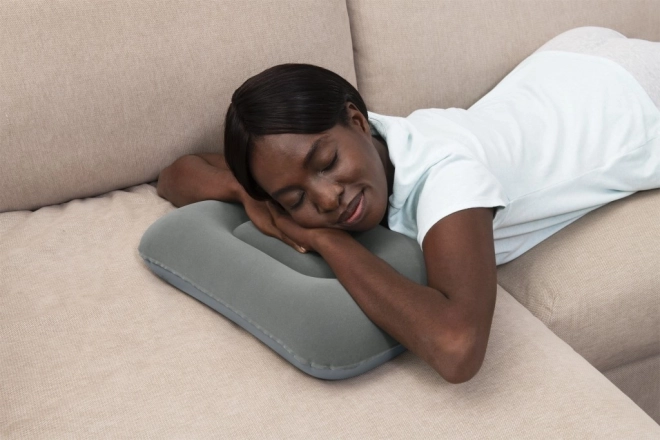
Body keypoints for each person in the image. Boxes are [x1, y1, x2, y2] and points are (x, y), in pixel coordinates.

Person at [156, 27, 660, 384]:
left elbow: (458, 349)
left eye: (327, 162)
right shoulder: (357, 147)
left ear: (358, 121)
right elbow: (175, 174)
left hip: (638, 98)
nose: (327, 197)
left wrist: (323, 238)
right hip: (565, 69)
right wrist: (247, 193)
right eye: (295, 198)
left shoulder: (447, 178)